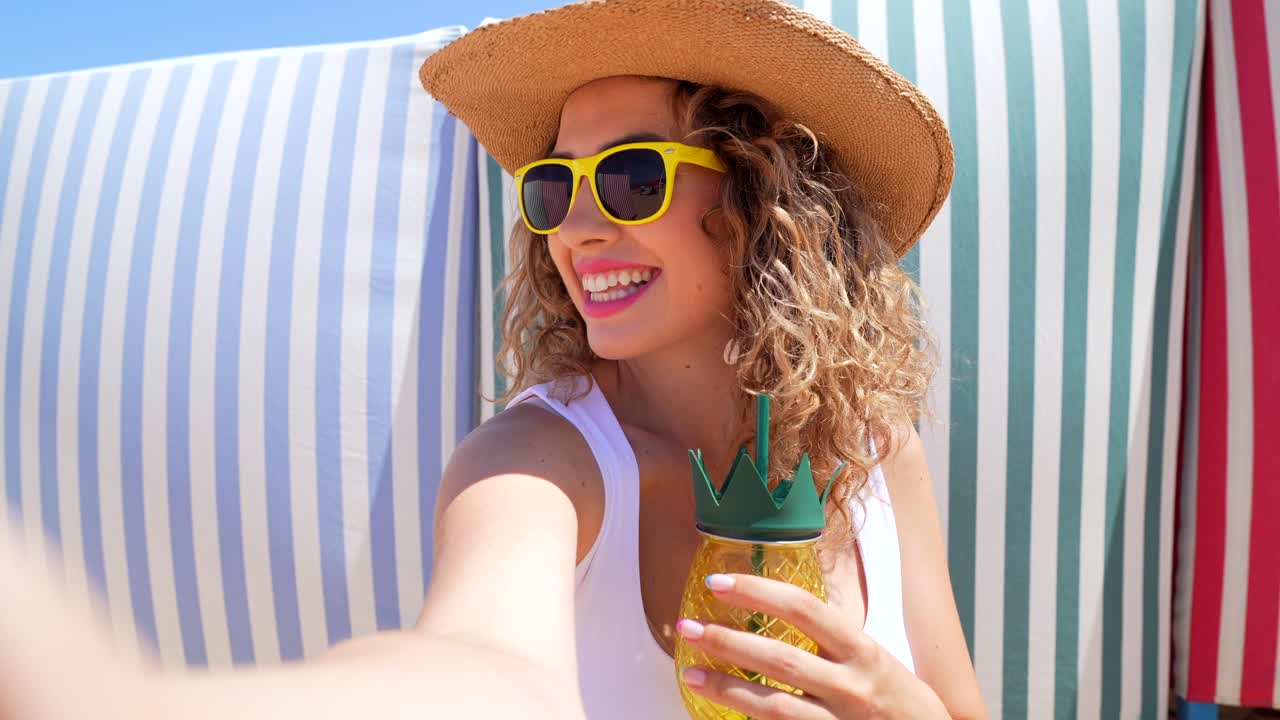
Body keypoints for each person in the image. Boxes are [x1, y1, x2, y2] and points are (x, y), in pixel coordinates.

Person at [0, 1, 985, 719]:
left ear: (766, 197)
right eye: (553, 188)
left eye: (630, 178)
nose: (577, 229)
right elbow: (482, 666)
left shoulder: (874, 447)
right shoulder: (539, 461)